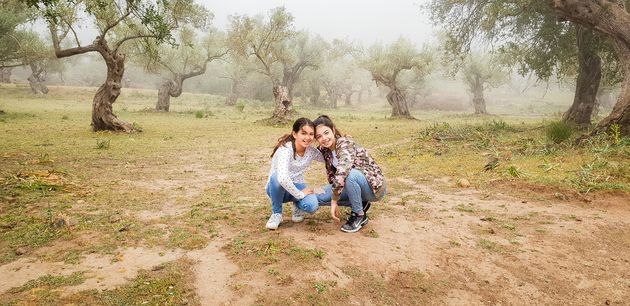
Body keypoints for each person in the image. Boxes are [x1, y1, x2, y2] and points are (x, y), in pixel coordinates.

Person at [313, 115, 386, 233]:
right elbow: (306, 146)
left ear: (333, 129)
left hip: (374, 188)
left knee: (350, 175)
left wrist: (334, 200)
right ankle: (361, 203)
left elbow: (343, 170)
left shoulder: (344, 143)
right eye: (319, 136)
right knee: (318, 197)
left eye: (326, 133)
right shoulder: (325, 150)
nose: (324, 138)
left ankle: (359, 215)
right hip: (351, 186)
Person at [265, 117, 324, 230]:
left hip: (297, 186)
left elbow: (328, 158)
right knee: (276, 178)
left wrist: (340, 141)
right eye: (303, 133)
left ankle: (297, 205)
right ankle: (276, 214)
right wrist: (300, 195)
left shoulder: (311, 151)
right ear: (295, 134)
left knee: (312, 206)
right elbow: (282, 178)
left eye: (311, 134)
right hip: (277, 189)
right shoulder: (285, 149)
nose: (308, 137)